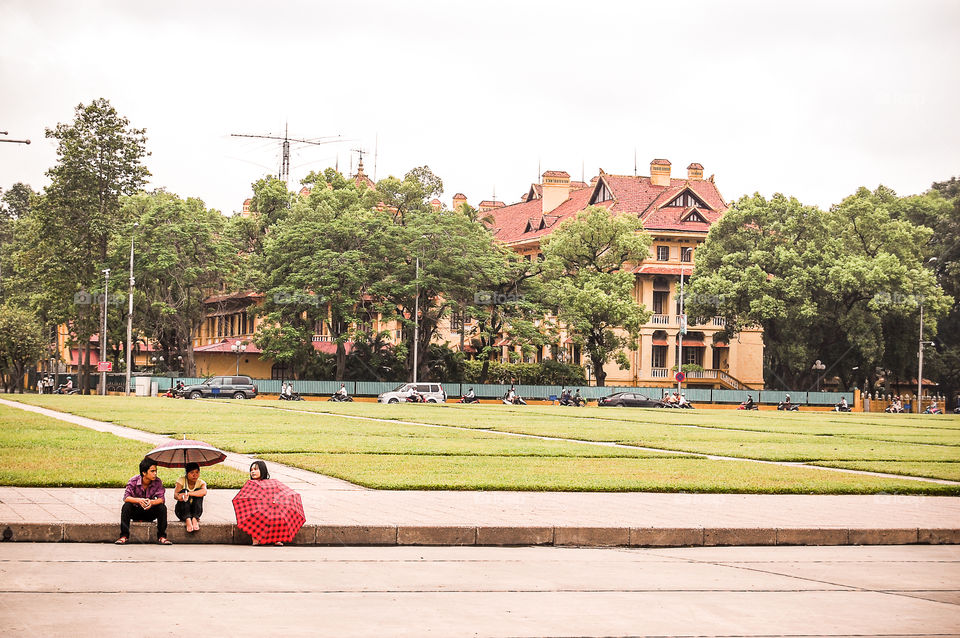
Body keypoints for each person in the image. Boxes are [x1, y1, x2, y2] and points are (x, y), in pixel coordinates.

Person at [116, 458, 171, 545]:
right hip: (136, 511)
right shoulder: (133, 481)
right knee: (126, 506)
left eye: (156, 471)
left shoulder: (158, 482)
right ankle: (124, 536)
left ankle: (162, 536)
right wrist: (139, 500)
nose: (155, 473)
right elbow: (126, 498)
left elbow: (161, 499)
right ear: (144, 473)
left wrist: (151, 502)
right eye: (152, 471)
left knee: (162, 508)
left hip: (149, 511)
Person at [246, 461, 281, 546]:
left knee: (276, 516)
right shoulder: (251, 484)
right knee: (254, 517)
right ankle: (255, 538)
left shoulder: (270, 484)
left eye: (255, 469)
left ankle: (276, 539)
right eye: (251, 470)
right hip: (256, 509)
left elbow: (275, 494)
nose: (253, 472)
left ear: (263, 470)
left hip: (269, 507)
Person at [174, 462, 207, 534]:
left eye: (197, 472)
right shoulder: (181, 480)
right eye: (192, 472)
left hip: (194, 511)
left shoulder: (201, 482)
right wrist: (181, 496)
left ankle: (195, 519)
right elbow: (175, 495)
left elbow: (204, 492)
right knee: (184, 490)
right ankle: (188, 519)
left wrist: (188, 493)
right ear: (187, 473)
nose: (195, 475)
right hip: (181, 511)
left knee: (198, 491)